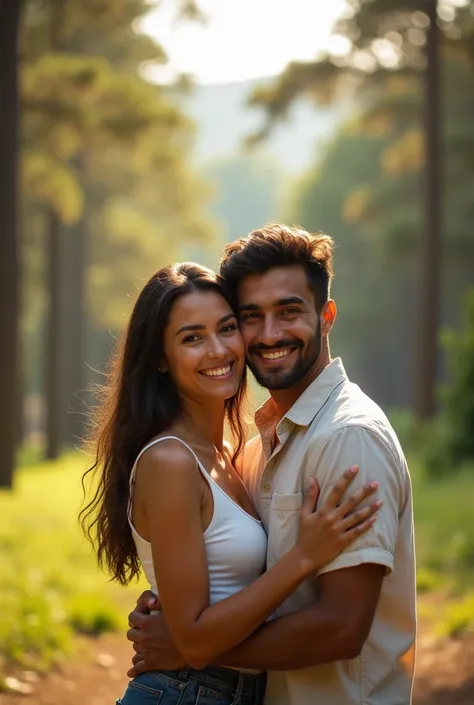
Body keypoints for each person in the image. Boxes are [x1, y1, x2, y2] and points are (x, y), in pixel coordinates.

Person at [127, 225, 417, 705]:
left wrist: (190, 646)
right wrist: (186, 628)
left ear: (326, 317)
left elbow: (341, 627)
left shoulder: (348, 437)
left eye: (288, 312)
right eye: (249, 317)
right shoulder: (258, 446)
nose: (268, 335)